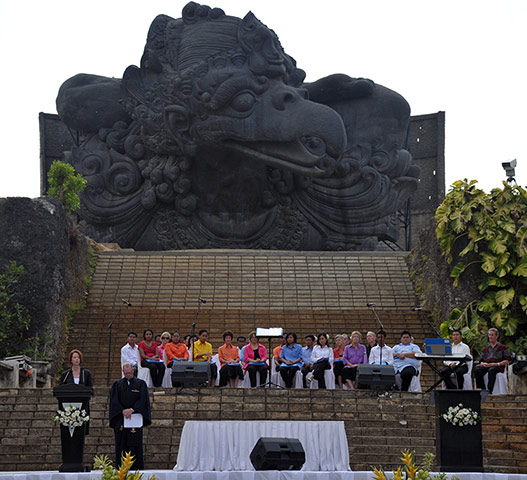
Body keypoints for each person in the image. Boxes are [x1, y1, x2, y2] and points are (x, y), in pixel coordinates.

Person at [109, 363, 151, 469]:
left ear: (133, 371)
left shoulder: (140, 384)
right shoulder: (117, 384)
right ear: (123, 372)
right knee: (121, 442)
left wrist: (132, 409)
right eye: (126, 373)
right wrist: (122, 410)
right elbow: (114, 400)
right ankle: (120, 467)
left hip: (135, 418)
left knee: (135, 443)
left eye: (129, 372)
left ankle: (136, 467)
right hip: (121, 418)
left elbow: (143, 399)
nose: (128, 374)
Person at [474, 328, 511, 393]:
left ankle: (490, 390)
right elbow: (481, 361)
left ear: (497, 336)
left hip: (498, 366)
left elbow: (507, 360)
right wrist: (483, 364)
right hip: (487, 365)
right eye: (489, 335)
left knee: (492, 370)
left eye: (492, 335)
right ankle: (482, 389)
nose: (490, 337)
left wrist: (497, 364)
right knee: (477, 369)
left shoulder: (503, 347)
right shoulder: (485, 349)